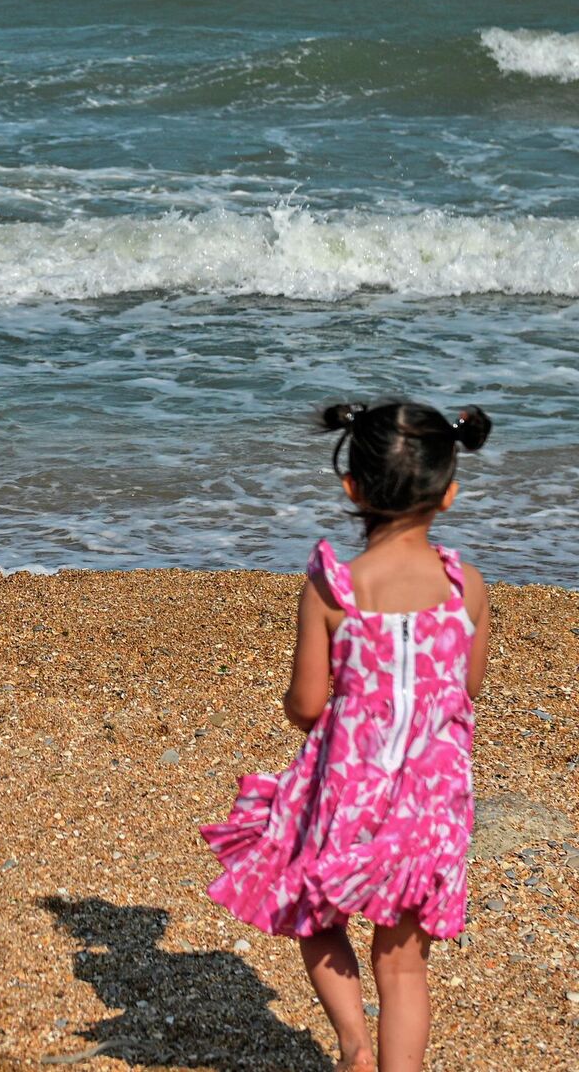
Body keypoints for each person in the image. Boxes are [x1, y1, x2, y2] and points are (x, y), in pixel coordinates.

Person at [200, 401, 493, 1072]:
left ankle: (356, 1045)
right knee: (405, 969)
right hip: (431, 806)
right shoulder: (464, 588)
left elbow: (306, 705)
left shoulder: (336, 589)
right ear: (449, 490)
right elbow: (467, 690)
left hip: (347, 796)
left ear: (351, 487)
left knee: (313, 913)